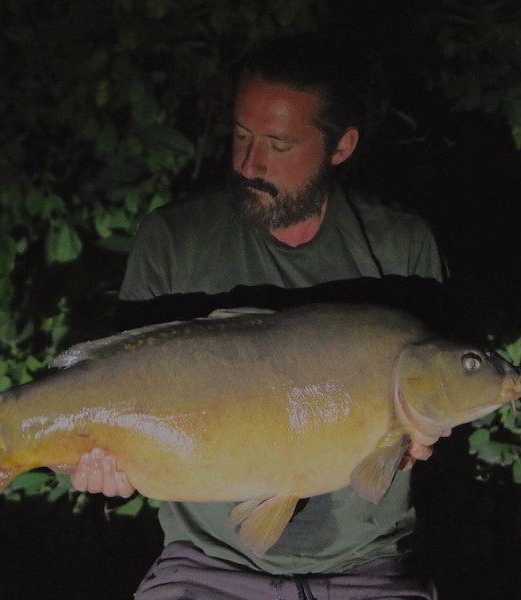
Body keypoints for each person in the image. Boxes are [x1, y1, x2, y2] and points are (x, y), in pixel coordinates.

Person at [73, 34, 449, 599]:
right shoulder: (174, 241)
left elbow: (433, 393)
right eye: (242, 135)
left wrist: (427, 433)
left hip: (365, 566)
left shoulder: (400, 249)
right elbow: (119, 394)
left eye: (278, 143)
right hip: (206, 565)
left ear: (340, 147)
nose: (250, 163)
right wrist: (103, 473)